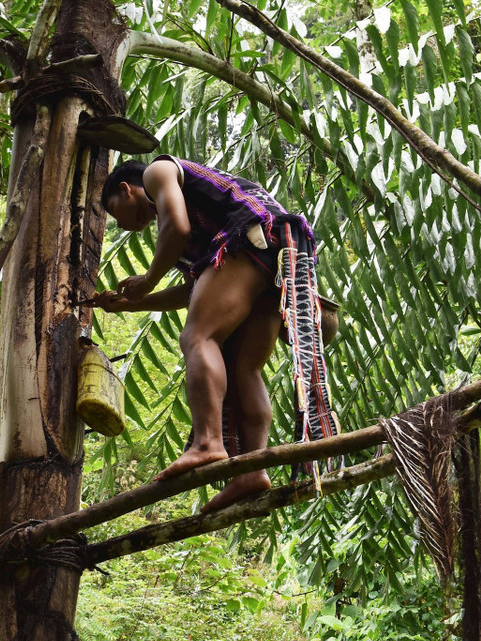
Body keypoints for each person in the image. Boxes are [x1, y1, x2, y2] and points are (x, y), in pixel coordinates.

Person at [93, 155, 338, 513]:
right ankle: (252, 471)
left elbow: (175, 229)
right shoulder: (186, 241)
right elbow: (195, 290)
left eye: (117, 214)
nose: (126, 226)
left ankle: (208, 443)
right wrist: (132, 304)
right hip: (275, 258)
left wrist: (146, 281)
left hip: (255, 235)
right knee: (244, 369)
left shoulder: (158, 172)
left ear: (126, 190)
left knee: (198, 339)